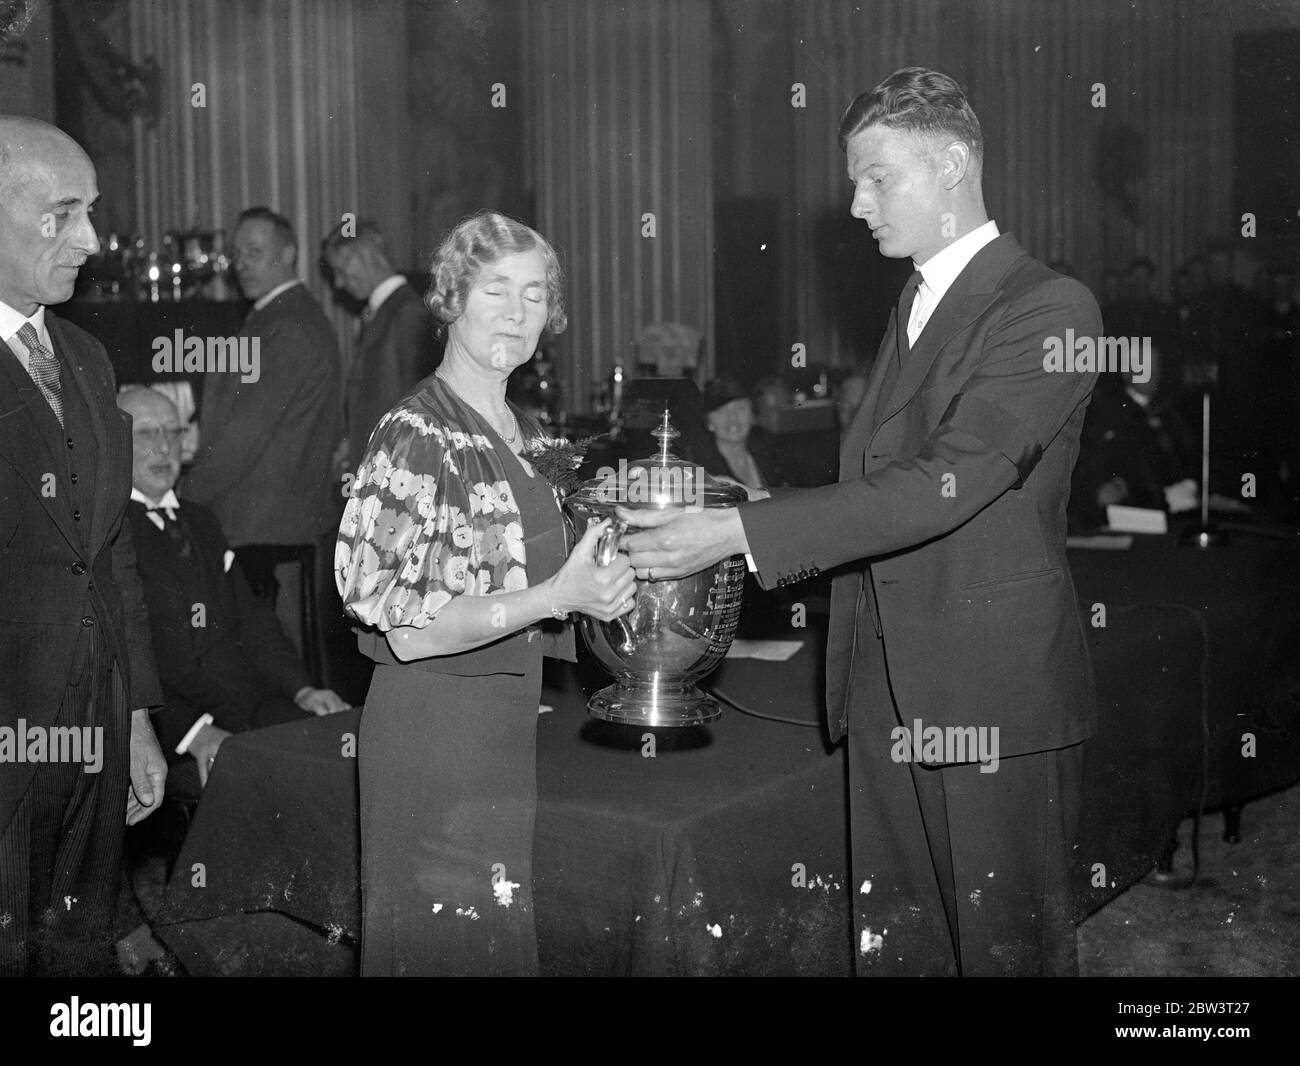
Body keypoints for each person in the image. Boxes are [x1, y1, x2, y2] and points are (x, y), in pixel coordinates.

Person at [621, 68, 1101, 976]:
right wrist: (744, 503)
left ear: (954, 163)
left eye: (878, 177)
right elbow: (880, 477)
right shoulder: (913, 305)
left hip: (987, 695)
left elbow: (952, 480)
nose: (856, 203)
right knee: (898, 947)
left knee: (1006, 955)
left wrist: (740, 537)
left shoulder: (1049, 307)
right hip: (885, 681)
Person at [335, 210, 635, 976]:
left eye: (534, 295)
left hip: (503, 733)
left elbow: (532, 569)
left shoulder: (523, 430)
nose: (516, 311)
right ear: (450, 298)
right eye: (495, 289)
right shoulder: (417, 431)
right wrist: (552, 597)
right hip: (432, 738)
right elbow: (401, 622)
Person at [0, 116, 167, 975]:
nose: (93, 240)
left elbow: (111, 552)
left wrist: (135, 712)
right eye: (62, 214)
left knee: (77, 948)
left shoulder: (90, 358)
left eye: (93, 212)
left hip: (93, 722)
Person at [118, 387, 349, 802]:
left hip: (249, 705)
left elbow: (254, 622)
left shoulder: (202, 522)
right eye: (145, 433)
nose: (164, 446)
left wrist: (302, 688)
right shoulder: (111, 537)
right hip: (174, 728)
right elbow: (124, 661)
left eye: (173, 432)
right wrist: (194, 734)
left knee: (340, 750)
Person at [180, 207, 343, 609]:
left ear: (287, 255)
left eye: (254, 252)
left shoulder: (288, 326)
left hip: (261, 519)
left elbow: (243, 436)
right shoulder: (275, 316)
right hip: (258, 513)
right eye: (237, 254)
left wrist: (186, 495)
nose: (242, 264)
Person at [322, 218, 441, 472]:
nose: (339, 283)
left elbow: (420, 406)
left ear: (368, 253)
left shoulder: (407, 312)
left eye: (342, 269)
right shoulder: (382, 312)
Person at [688, 377, 795, 490]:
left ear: (753, 414)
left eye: (740, 408)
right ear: (708, 421)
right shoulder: (698, 465)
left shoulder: (771, 448)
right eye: (721, 411)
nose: (732, 418)